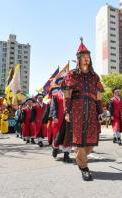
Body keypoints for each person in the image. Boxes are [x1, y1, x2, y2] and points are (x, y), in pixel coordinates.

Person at [61, 38, 103, 181]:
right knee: (79, 141)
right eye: (84, 57)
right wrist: (67, 111)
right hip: (77, 110)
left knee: (90, 142)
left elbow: (98, 96)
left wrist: (101, 111)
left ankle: (80, 157)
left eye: (88, 57)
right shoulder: (71, 75)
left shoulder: (95, 77)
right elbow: (67, 95)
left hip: (91, 110)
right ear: (78, 59)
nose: (87, 60)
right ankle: (84, 167)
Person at [49, 77, 72, 163]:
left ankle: (66, 155)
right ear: (58, 85)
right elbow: (53, 106)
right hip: (59, 119)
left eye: (64, 82)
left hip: (69, 118)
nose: (63, 84)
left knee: (68, 136)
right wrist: (54, 116)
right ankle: (55, 148)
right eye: (61, 83)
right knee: (59, 135)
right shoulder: (55, 95)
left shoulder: (70, 94)